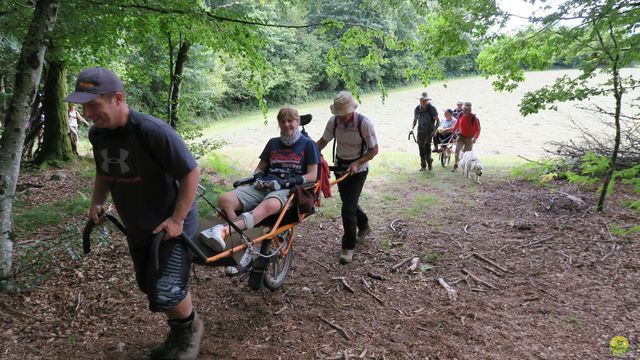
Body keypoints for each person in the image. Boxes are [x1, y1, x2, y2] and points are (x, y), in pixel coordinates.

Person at [65, 67, 203, 360]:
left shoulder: (151, 131)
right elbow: (104, 170)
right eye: (83, 107)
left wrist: (177, 219)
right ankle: (178, 331)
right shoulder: (98, 134)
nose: (87, 113)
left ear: (118, 98)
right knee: (149, 285)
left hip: (172, 219)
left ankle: (190, 334)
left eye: (93, 105)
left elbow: (191, 172)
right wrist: (98, 202)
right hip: (140, 224)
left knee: (166, 288)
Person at [202, 106, 319, 262]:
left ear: (297, 121)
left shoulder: (308, 144)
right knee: (225, 199)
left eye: (290, 121)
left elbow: (312, 175)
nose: (286, 124)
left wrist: (284, 183)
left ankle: (223, 230)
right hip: (265, 185)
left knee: (268, 206)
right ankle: (240, 237)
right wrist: (258, 180)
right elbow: (259, 169)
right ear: (279, 123)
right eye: (282, 121)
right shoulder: (273, 143)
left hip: (286, 190)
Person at [316, 91, 378, 264]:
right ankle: (364, 224)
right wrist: (308, 153)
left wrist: (357, 163)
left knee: (347, 208)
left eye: (344, 114)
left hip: (359, 170)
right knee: (349, 204)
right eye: (338, 114)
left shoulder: (364, 124)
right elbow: (322, 142)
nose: (341, 118)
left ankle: (348, 247)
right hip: (341, 168)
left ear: (352, 110)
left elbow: (374, 150)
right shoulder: (333, 122)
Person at [410, 91, 439, 171]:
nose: (422, 102)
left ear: (427, 101)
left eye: (424, 100)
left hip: (429, 131)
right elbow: (415, 120)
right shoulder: (417, 109)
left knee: (426, 146)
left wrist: (435, 130)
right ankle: (423, 166)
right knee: (420, 148)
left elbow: (438, 121)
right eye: (421, 100)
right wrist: (412, 128)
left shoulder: (432, 109)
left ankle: (429, 164)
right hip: (420, 131)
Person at [452, 101, 481, 172]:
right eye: (464, 109)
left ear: (470, 110)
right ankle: (456, 164)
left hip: (470, 138)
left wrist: (475, 138)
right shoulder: (461, 114)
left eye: (466, 109)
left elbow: (478, 129)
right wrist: (453, 130)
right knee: (457, 150)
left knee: (466, 154)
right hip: (461, 136)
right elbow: (458, 123)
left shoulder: (474, 118)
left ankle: (464, 167)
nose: (464, 111)